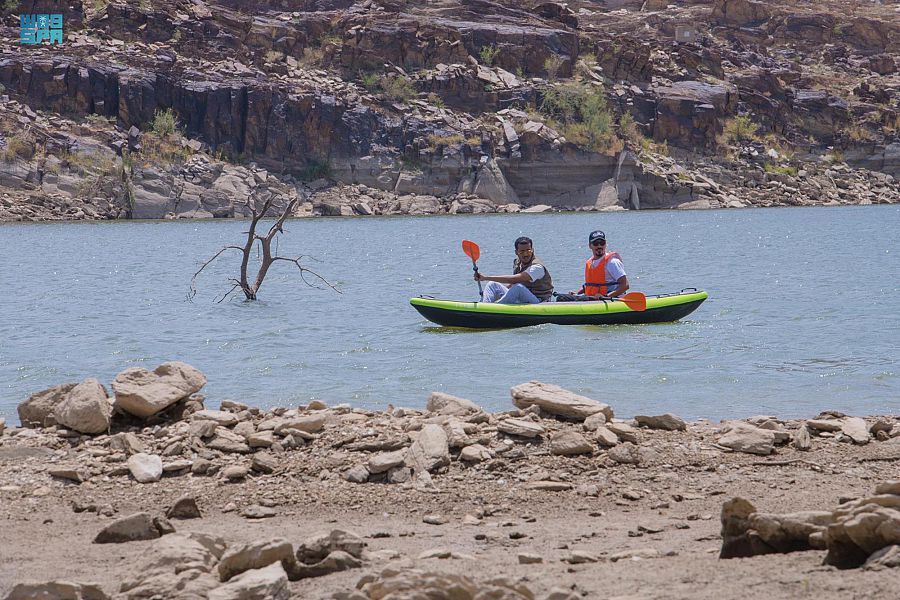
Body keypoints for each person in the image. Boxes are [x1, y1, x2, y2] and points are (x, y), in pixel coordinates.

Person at [475, 236, 553, 304]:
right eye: (522, 251)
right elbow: (512, 284)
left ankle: (494, 307)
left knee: (518, 287)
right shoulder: (517, 263)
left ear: (532, 250)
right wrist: (501, 293)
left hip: (539, 301)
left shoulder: (537, 267)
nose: (526, 254)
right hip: (522, 297)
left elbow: (516, 279)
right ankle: (485, 305)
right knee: (492, 284)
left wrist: (485, 278)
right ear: (516, 252)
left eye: (528, 250)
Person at [571, 230, 629, 299]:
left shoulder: (612, 262)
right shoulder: (590, 263)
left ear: (605, 244)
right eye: (595, 243)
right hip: (592, 298)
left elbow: (625, 285)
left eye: (602, 243)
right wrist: (577, 293)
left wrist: (606, 296)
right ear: (590, 246)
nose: (599, 246)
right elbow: (590, 285)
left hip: (608, 299)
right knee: (562, 298)